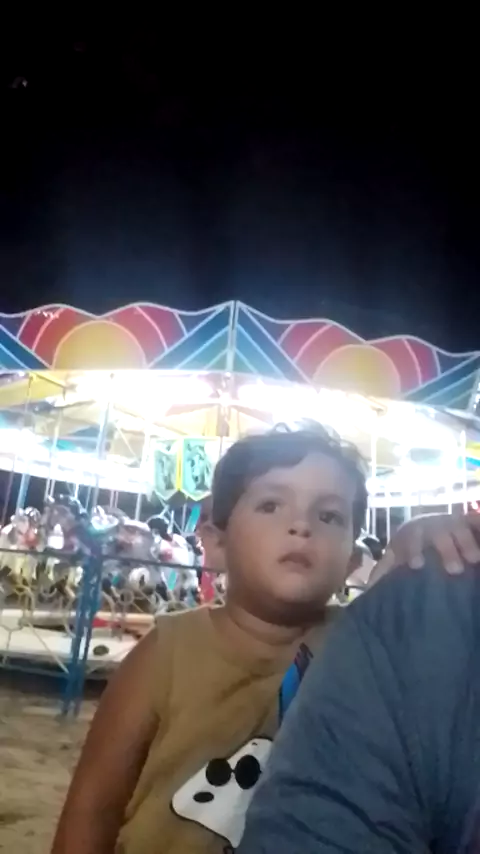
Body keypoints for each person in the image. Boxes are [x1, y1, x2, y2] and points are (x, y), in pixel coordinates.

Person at [51, 425, 480, 854]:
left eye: (329, 516)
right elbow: (93, 808)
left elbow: (410, 591)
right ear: (216, 542)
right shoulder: (167, 652)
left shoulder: (361, 646)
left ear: (353, 559)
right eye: (271, 505)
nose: (301, 526)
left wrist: (420, 537)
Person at [238, 553, 480, 853]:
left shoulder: (389, 623)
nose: (301, 531)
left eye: (332, 523)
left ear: (352, 561)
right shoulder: (400, 625)